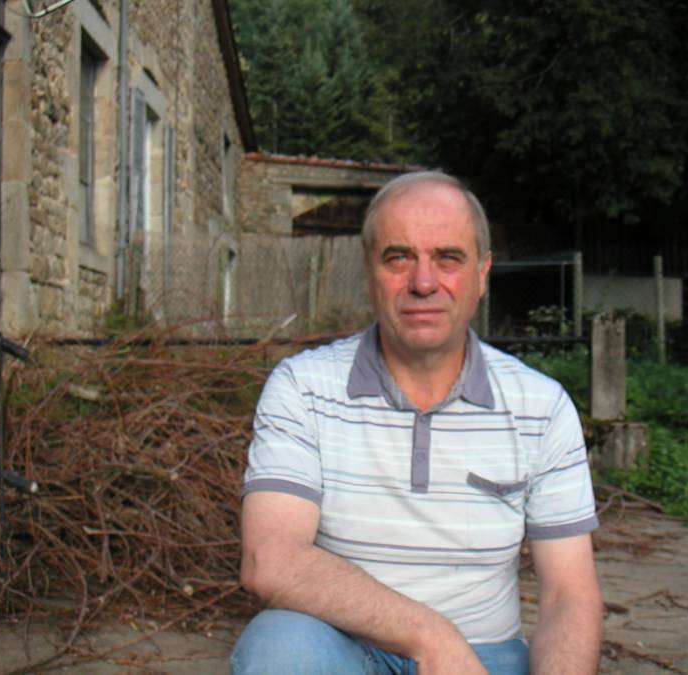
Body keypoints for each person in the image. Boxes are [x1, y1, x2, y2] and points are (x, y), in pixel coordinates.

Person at [232, 171, 603, 675]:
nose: (423, 283)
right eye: (398, 258)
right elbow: (271, 559)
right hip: (342, 648)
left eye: (448, 258)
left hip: (485, 656)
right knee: (280, 648)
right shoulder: (303, 387)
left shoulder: (541, 406)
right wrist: (431, 638)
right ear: (369, 271)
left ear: (482, 273)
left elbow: (568, 596)